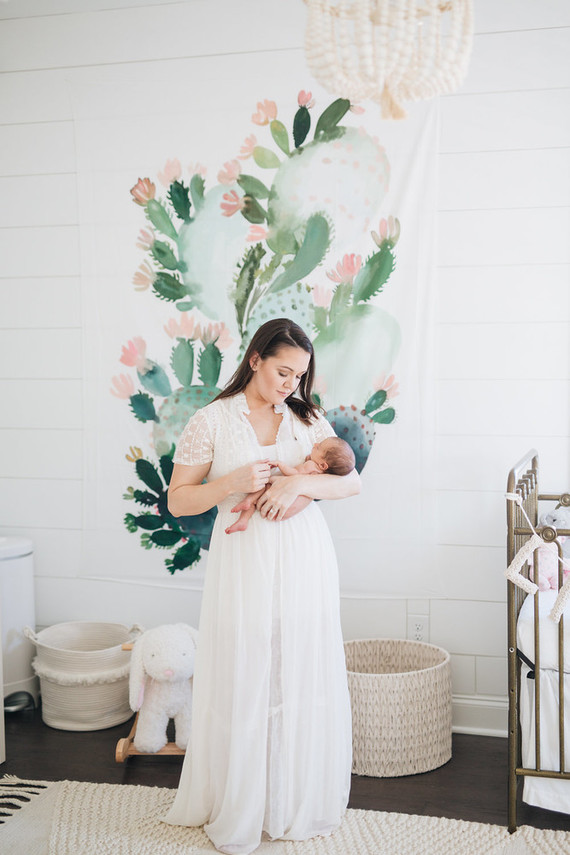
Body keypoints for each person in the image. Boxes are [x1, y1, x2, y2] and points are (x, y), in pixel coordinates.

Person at [163, 318, 360, 854]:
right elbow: (178, 500)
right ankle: (244, 802)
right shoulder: (212, 420)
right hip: (244, 560)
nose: (290, 384)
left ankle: (291, 800)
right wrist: (229, 484)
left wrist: (298, 485)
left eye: (298, 375)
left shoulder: (306, 417)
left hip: (304, 556)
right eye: (282, 372)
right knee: (246, 671)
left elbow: (351, 483)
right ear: (255, 360)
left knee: (297, 670)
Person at [225, 437, 356, 535]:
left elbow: (294, 473)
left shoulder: (311, 465)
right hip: (293, 511)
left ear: (323, 465)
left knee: (263, 484)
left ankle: (246, 509)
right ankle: (244, 518)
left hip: (283, 494)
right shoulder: (321, 473)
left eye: (318, 447)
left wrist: (280, 464)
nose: (315, 444)